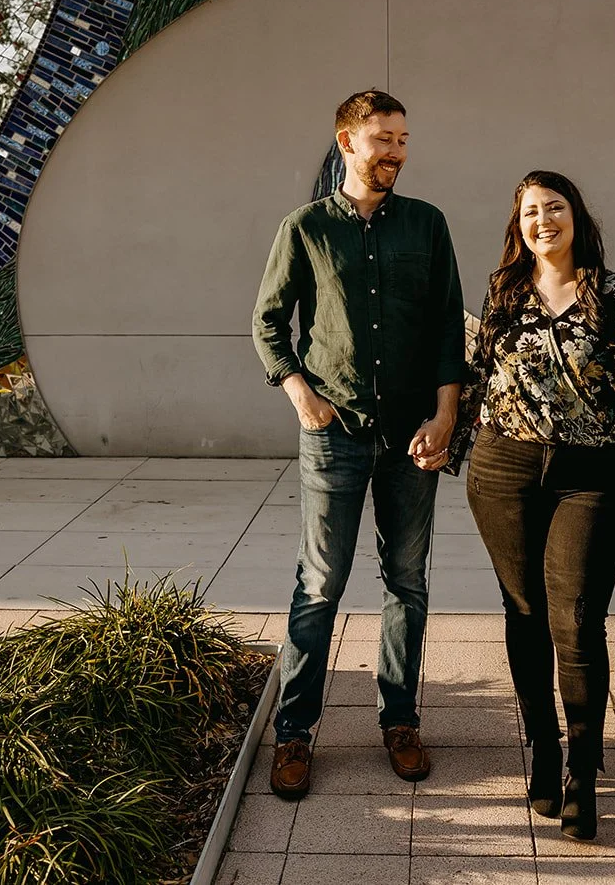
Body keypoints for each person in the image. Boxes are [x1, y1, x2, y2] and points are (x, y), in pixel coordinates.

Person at [444, 170, 615, 840]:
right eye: (529, 211)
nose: (542, 220)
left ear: (576, 216)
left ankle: (583, 768)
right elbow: (477, 376)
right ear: (516, 225)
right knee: (522, 613)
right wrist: (444, 437)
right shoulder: (504, 291)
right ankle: (543, 749)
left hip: (591, 474)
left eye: (554, 207)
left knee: (575, 619)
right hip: (504, 468)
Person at [252, 90, 466, 800]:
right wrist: (301, 395)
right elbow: (269, 322)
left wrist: (446, 416)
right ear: (346, 141)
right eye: (383, 138)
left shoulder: (428, 226)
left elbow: (445, 329)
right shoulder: (306, 227)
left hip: (413, 435)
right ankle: (294, 733)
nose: (397, 151)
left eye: (403, 138)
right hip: (334, 431)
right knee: (320, 586)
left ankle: (400, 721)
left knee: (408, 581)